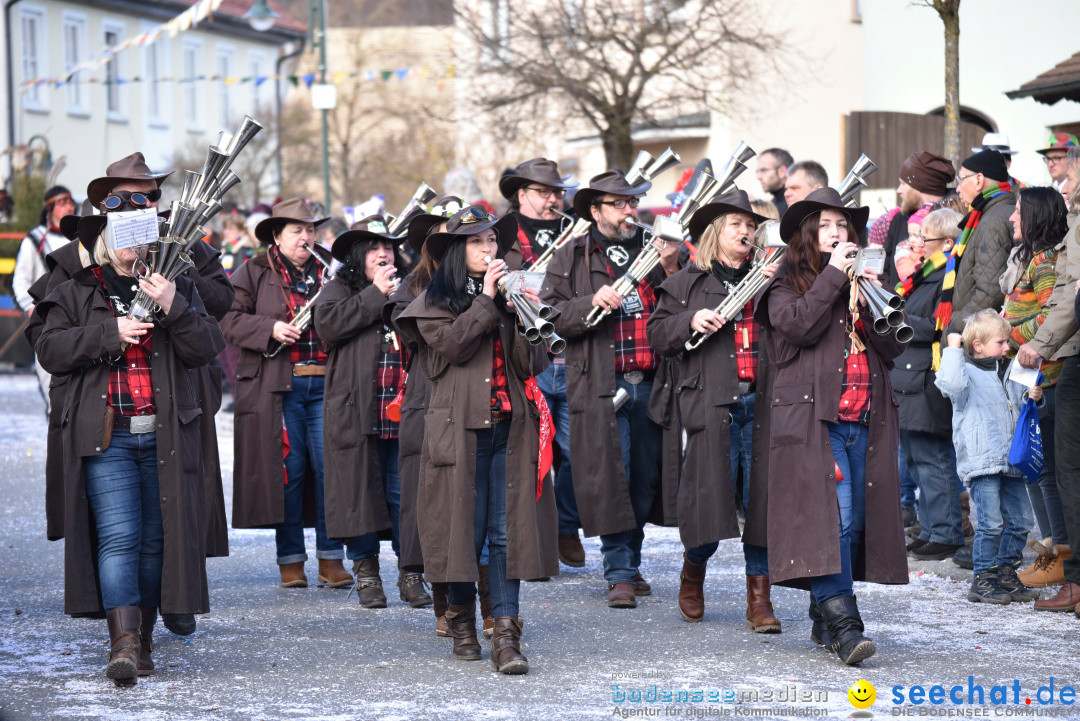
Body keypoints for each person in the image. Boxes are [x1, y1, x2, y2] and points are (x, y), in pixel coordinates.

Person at [34, 212, 224, 685]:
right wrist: (109, 332)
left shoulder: (172, 284)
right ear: (103, 240)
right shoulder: (77, 290)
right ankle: (123, 645)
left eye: (141, 236)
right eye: (122, 235)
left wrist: (174, 305)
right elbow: (50, 350)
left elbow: (207, 346)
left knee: (155, 542)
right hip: (108, 435)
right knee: (120, 537)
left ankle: (143, 638)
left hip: (164, 434)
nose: (132, 245)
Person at [396, 204, 557, 674]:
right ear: (455, 251)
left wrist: (523, 312)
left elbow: (534, 366)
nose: (490, 249)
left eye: (493, 241)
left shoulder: (508, 298)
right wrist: (488, 301)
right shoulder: (431, 303)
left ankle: (506, 635)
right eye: (477, 242)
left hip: (510, 429)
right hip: (456, 434)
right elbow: (453, 345)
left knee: (506, 535)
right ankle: (463, 623)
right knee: (460, 532)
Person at [755, 187, 908, 665]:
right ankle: (846, 627)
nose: (838, 234)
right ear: (807, 234)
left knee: (852, 522)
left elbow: (893, 348)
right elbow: (797, 328)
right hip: (813, 422)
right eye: (826, 226)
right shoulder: (784, 283)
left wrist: (875, 295)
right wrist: (836, 279)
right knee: (834, 522)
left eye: (843, 226)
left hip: (865, 418)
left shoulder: (861, 280)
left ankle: (823, 615)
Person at [541, 170, 682, 608]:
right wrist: (590, 303)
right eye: (618, 203)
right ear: (595, 211)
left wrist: (674, 265)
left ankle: (630, 561)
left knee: (644, 480)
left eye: (631, 202)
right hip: (603, 384)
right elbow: (548, 316)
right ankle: (619, 570)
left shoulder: (654, 249)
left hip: (654, 382)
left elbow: (688, 302)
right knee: (611, 478)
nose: (628, 210)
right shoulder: (570, 258)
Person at [646, 190, 780, 631]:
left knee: (761, 501)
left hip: (763, 402)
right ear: (715, 232)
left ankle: (759, 600)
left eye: (750, 225)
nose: (745, 231)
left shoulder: (771, 277)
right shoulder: (686, 282)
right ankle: (693, 572)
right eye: (735, 224)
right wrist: (689, 321)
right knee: (707, 500)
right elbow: (659, 336)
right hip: (710, 399)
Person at [221, 198, 364, 589]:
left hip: (327, 384)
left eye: (311, 230)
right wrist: (269, 328)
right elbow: (227, 319)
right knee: (291, 471)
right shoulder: (252, 271)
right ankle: (291, 559)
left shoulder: (329, 272)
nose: (306, 237)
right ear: (278, 236)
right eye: (297, 231)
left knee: (328, 470)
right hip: (278, 385)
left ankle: (331, 559)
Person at [312, 215, 433, 609]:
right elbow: (328, 326)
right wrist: (375, 294)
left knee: (407, 496)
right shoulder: (337, 290)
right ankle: (366, 575)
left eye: (388, 247)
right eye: (374, 248)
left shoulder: (413, 286)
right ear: (357, 255)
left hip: (403, 411)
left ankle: (411, 574)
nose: (383, 254)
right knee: (357, 494)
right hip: (356, 411)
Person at [499, 157, 586, 566]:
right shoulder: (500, 234)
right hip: (525, 351)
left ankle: (565, 526)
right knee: (531, 452)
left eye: (557, 192)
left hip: (569, 349)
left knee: (575, 450)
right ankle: (534, 539)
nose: (554, 199)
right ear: (522, 195)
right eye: (545, 192)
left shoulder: (576, 233)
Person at [385, 195, 462, 635]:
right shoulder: (411, 290)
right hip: (427, 399)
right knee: (425, 501)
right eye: (447, 238)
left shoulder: (481, 283)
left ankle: (479, 602)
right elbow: (420, 340)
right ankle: (440, 601)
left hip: (472, 401)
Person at [1015, 149, 1080, 607]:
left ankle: (1070, 573)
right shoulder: (1042, 253)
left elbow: (1056, 304)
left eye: (1069, 172)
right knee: (1046, 473)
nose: (1064, 182)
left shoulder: (1053, 253)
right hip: (1052, 359)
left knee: (1061, 475)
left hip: (1058, 363)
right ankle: (1061, 561)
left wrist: (1023, 338)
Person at [935, 311, 1035, 604]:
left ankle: (1005, 573)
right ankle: (982, 579)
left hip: (1011, 461)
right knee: (990, 523)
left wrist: (1032, 398)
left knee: (1021, 521)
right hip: (982, 462)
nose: (1007, 347)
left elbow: (1018, 405)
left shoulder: (1008, 370)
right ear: (977, 345)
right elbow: (950, 385)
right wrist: (953, 346)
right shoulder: (964, 373)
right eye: (1001, 342)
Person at [1000, 187, 1071, 590]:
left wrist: (1005, 331)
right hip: (1032, 375)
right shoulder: (1033, 257)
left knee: (1043, 469)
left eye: (1018, 212)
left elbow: (1051, 316)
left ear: (1037, 217)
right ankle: (1050, 552)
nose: (1012, 218)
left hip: (1046, 377)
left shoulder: (1045, 260)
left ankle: (1059, 554)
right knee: (1035, 468)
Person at [893, 208, 966, 561]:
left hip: (925, 379)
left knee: (933, 458)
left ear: (947, 243)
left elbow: (940, 327)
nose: (918, 245)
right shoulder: (927, 276)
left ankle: (946, 531)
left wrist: (899, 319)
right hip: (911, 377)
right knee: (915, 459)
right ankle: (932, 527)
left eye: (926, 239)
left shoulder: (947, 276)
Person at [12, 185, 77, 410]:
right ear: (49, 209)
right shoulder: (34, 240)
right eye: (62, 202)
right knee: (52, 385)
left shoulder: (80, 238)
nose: (69, 206)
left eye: (70, 201)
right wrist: (32, 311)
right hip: (47, 320)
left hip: (78, 319)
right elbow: (20, 280)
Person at [940, 150, 1016, 336]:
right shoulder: (997, 213)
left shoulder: (992, 222)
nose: (957, 189)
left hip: (975, 338)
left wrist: (955, 329)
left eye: (961, 179)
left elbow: (990, 293)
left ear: (979, 180)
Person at [866, 152, 955, 288]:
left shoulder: (952, 219)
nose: (899, 190)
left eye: (903, 183)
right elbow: (886, 269)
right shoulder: (900, 219)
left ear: (920, 186)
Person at [756, 148, 793, 217]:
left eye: (763, 170)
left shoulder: (794, 204)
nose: (758, 177)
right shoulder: (775, 203)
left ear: (782, 171)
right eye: (757, 172)